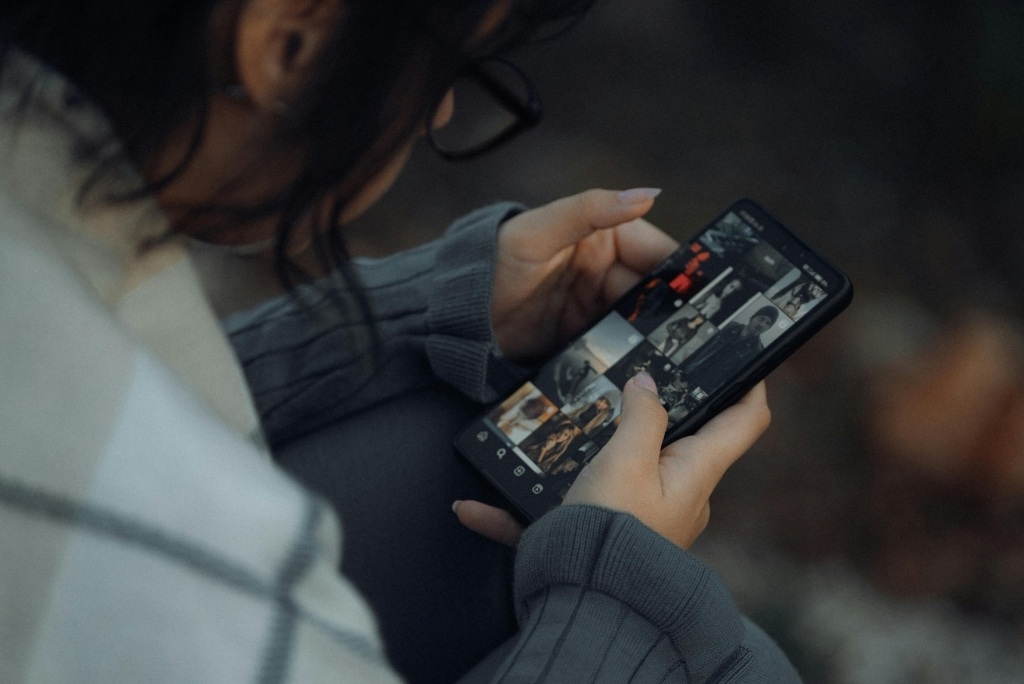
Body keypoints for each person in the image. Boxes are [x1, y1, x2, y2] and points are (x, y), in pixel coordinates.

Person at [0, 2, 800, 684]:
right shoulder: (166, 547)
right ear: (288, 42)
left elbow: (154, 383)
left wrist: (424, 312)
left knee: (444, 428)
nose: (443, 112)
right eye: (450, 70)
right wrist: (618, 590)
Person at [681, 306, 779, 394]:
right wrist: (684, 365)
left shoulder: (756, 352)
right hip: (690, 371)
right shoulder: (730, 326)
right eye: (762, 319)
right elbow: (704, 347)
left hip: (704, 388)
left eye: (768, 324)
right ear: (753, 317)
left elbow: (732, 380)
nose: (762, 324)